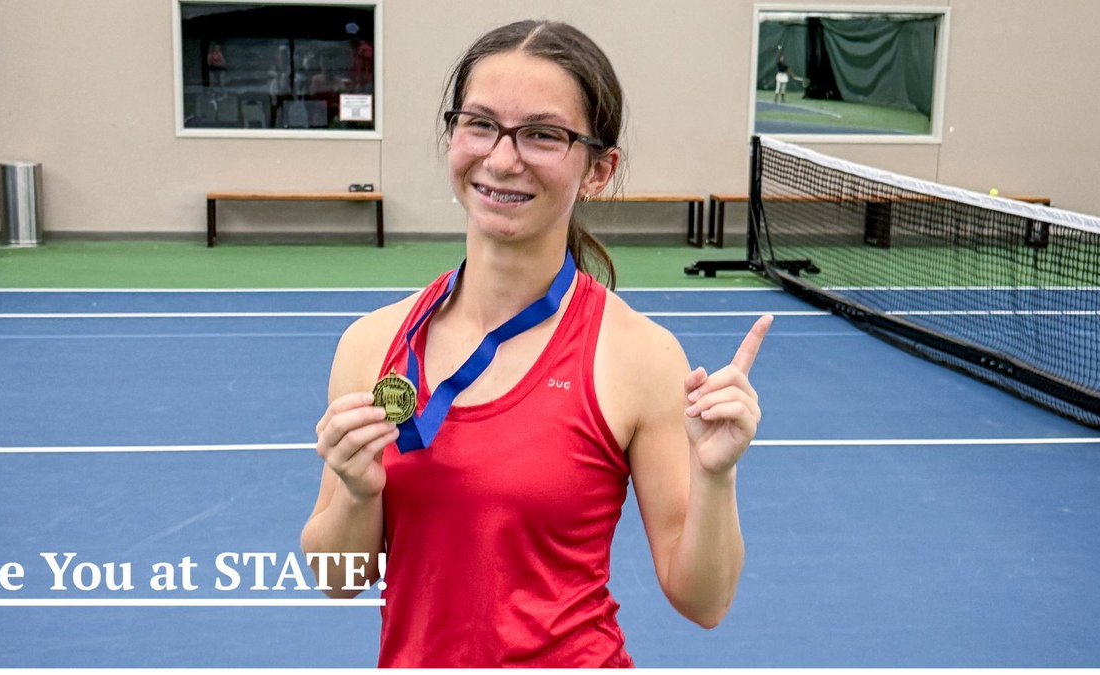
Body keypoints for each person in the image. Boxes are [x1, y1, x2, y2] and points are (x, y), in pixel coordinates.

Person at [299, 19, 771, 668]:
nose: (501, 157)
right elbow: (337, 576)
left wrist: (717, 476)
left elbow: (704, 600)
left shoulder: (638, 356)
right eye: (480, 124)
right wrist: (356, 490)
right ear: (452, 136)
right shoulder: (371, 343)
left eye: (543, 135)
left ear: (598, 170)